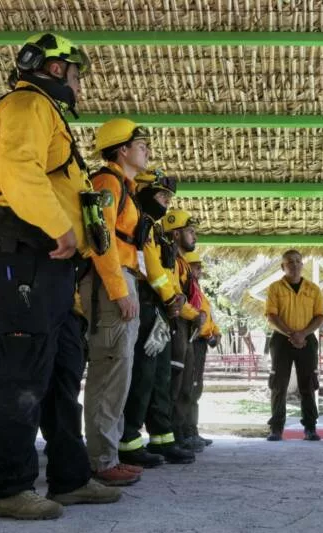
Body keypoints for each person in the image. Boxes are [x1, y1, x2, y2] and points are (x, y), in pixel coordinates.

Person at [0, 32, 119, 519]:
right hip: (24, 255)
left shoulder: (45, 112)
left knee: (61, 371)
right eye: (76, 74)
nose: (79, 84)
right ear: (56, 69)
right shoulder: (26, 105)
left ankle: (69, 479)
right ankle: (10, 488)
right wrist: (61, 227)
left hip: (49, 265)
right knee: (20, 372)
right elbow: (20, 172)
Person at [79, 118, 152, 487]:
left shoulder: (123, 187)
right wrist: (119, 291)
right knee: (109, 372)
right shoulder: (107, 183)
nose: (147, 151)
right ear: (122, 150)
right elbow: (100, 239)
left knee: (118, 372)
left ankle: (108, 456)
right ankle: (102, 461)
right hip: (111, 282)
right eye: (141, 145)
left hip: (122, 278)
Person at [118, 172, 195, 467]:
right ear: (146, 194)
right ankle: (129, 441)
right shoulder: (142, 223)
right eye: (162, 196)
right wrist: (170, 297)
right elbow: (149, 266)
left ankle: (163, 438)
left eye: (168, 198)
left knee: (160, 378)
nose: (166, 202)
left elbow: (164, 272)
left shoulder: (155, 230)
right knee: (142, 377)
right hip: (147, 305)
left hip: (161, 309)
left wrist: (175, 299)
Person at [264, 250, 323, 441]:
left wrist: (303, 334)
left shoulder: (313, 289)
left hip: (307, 340)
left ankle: (310, 428)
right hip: (281, 340)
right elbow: (271, 316)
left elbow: (320, 316)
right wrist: (292, 334)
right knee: (278, 385)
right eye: (290, 262)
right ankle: (276, 428)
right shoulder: (275, 288)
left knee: (308, 384)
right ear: (283, 266)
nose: (295, 265)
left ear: (302, 264)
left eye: (298, 261)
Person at [162, 209, 207, 452]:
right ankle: (170, 435)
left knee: (186, 384)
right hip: (177, 326)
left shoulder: (182, 264)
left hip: (186, 328)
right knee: (175, 383)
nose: (194, 237)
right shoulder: (169, 260)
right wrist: (195, 315)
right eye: (190, 232)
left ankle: (180, 433)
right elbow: (176, 297)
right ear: (176, 234)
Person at [182, 250, 220, 448]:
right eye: (196, 266)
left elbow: (208, 317)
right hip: (192, 340)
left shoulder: (198, 290)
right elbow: (194, 316)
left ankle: (192, 430)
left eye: (200, 267)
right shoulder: (186, 288)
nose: (200, 270)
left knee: (195, 389)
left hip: (202, 342)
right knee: (188, 388)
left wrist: (216, 332)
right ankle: (185, 432)